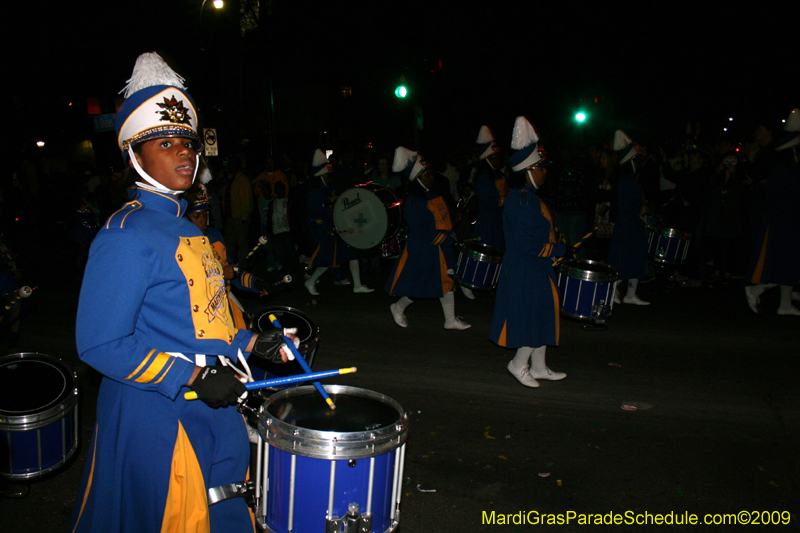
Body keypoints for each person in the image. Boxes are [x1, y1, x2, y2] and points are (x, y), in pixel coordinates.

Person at [69, 52, 296, 533]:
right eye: (166, 143)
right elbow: (99, 344)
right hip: (158, 414)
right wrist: (191, 378)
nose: (184, 154)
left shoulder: (187, 228)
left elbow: (203, 322)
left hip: (215, 403)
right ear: (134, 155)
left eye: (188, 144)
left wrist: (254, 344)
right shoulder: (124, 234)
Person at [490, 117, 568, 388]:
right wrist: (557, 248)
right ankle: (518, 364)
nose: (545, 172)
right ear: (528, 170)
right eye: (541, 168)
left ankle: (539, 366)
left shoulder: (530, 197)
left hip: (536, 265)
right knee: (530, 315)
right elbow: (527, 244)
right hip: (525, 266)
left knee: (544, 311)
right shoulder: (521, 200)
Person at [386, 147, 471, 330]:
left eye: (431, 174)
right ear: (418, 178)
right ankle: (398, 307)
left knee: (446, 280)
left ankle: (450, 320)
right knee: (419, 285)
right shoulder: (413, 200)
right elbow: (420, 230)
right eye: (428, 175)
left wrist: (451, 229)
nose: (432, 177)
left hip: (440, 246)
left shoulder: (433, 194)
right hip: (424, 248)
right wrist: (445, 238)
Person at [744, 108, 800, 316]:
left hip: (786, 220)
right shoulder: (786, 170)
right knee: (784, 262)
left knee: (789, 262)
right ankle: (757, 289)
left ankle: (785, 304)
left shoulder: (789, 169)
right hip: (784, 221)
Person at [304, 149, 374, 295]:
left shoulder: (332, 190)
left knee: (352, 252)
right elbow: (314, 215)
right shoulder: (314, 195)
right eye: (327, 176)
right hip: (326, 231)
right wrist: (325, 228)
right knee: (327, 261)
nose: (330, 178)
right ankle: (310, 282)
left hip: (337, 228)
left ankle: (357, 285)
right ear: (320, 177)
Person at [608, 130, 650, 305]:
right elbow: (627, 205)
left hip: (633, 224)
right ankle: (612, 291)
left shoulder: (631, 180)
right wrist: (641, 209)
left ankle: (630, 294)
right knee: (624, 259)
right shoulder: (626, 182)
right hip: (627, 224)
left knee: (637, 258)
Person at [473, 125, 508, 252]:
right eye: (495, 157)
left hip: (499, 221)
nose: (498, 160)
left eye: (499, 157)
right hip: (488, 224)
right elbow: (487, 202)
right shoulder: (483, 177)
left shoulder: (499, 175)